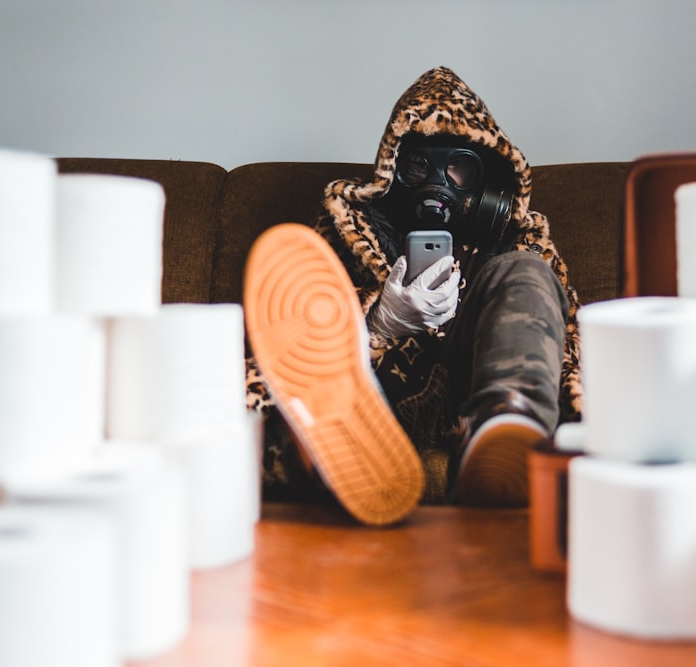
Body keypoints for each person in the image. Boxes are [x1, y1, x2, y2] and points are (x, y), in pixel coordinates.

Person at [243, 66, 582, 526]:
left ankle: (506, 426)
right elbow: (282, 350)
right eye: (419, 165)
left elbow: (572, 342)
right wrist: (380, 322)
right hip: (384, 396)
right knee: (302, 372)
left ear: (487, 181)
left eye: (459, 167)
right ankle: (327, 454)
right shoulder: (347, 232)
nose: (437, 182)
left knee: (525, 272)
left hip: (471, 390)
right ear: (393, 169)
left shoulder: (519, 239)